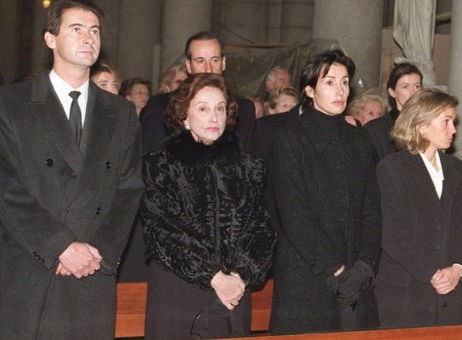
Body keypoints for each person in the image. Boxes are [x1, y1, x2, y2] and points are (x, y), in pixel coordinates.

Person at [0, 1, 144, 338]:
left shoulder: (120, 113)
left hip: (91, 269)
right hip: (32, 266)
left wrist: (99, 252)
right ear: (50, 38)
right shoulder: (10, 104)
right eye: (76, 29)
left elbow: (129, 189)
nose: (88, 38)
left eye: (94, 31)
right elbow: (5, 186)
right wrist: (59, 245)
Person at [140, 73, 275, 339]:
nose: (214, 117)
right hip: (178, 293)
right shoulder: (160, 166)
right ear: (184, 116)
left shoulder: (249, 167)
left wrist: (239, 276)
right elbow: (164, 228)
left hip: (233, 295)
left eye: (220, 108)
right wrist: (214, 276)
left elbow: (261, 228)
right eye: (203, 108)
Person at [268, 49, 381, 334]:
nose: (340, 89)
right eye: (329, 82)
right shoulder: (289, 139)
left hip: (357, 276)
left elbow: (372, 208)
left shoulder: (359, 140)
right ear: (309, 89)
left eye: (344, 82)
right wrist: (337, 269)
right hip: (307, 275)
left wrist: (365, 265)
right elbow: (295, 215)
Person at [375, 89, 462, 328]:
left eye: (453, 121)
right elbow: (394, 234)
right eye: (446, 121)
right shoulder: (392, 168)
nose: (453, 129)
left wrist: (457, 269)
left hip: (449, 289)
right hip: (406, 289)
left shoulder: (456, 168)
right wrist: (433, 271)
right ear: (421, 126)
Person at [140, 31, 256, 155]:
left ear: (223, 63)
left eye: (214, 60)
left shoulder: (244, 109)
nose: (208, 69)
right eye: (200, 61)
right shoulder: (161, 106)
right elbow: (150, 159)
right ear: (189, 66)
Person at [364, 62, 423, 158]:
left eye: (417, 86)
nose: (413, 92)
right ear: (392, 92)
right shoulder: (375, 129)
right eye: (405, 87)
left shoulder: (428, 124)